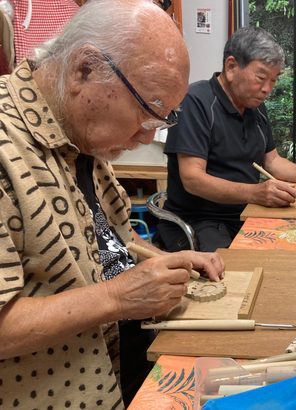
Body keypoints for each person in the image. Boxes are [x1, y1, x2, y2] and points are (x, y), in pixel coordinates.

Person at [0, 1, 225, 408]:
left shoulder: (81, 138)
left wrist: (162, 261)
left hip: (123, 376)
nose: (145, 137)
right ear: (86, 69)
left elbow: (111, 245)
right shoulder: (8, 146)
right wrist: (118, 298)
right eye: (147, 111)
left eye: (163, 120)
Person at [158, 27, 296, 253]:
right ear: (232, 67)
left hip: (246, 213)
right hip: (201, 220)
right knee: (235, 276)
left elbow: (272, 162)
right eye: (261, 77)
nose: (267, 89)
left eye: (273, 81)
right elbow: (193, 179)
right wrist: (256, 192)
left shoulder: (255, 107)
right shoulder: (196, 101)